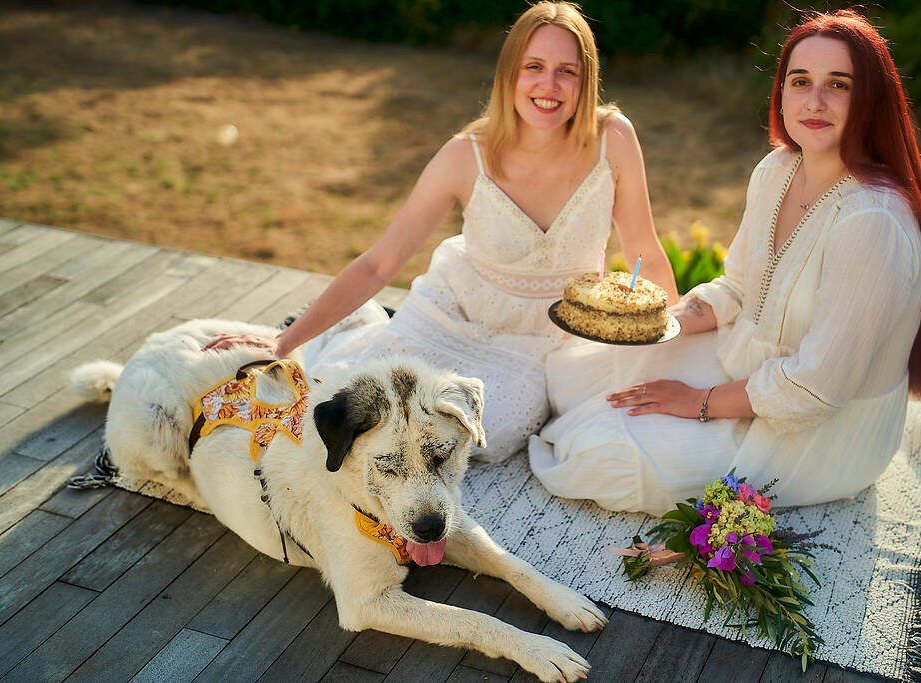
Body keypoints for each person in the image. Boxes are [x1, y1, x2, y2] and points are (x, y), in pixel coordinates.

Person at [529, 9, 921, 513]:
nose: (814, 102)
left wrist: (698, 403)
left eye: (838, 85)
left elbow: (815, 388)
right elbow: (736, 288)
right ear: (782, 91)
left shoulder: (872, 221)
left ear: (869, 99)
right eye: (801, 81)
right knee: (572, 372)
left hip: (821, 430)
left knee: (600, 458)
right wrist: (663, 324)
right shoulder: (777, 170)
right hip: (749, 362)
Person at [273, 1, 678, 462]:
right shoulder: (466, 155)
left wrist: (680, 345)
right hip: (452, 314)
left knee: (483, 432)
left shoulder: (614, 140)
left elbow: (645, 247)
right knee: (366, 405)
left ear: (587, 81)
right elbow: (379, 261)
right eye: (534, 67)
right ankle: (353, 326)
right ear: (509, 74)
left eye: (567, 71)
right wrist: (285, 345)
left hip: (541, 340)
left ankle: (371, 328)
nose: (549, 85)